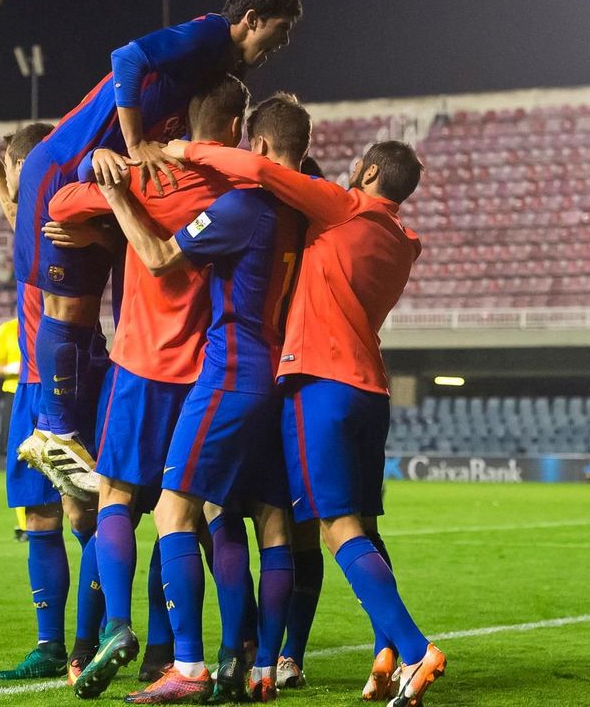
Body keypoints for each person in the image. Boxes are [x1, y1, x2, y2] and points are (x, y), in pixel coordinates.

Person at [163, 136, 447, 706]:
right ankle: (384, 652)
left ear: (367, 172)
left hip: (322, 385)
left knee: (335, 528)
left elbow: (259, 169)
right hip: (373, 391)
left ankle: (415, 649)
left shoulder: (342, 207)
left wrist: (185, 149)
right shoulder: (404, 241)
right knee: (365, 526)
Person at [17, 0, 302, 503]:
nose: (280, 45)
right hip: (67, 165)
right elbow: (126, 56)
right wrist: (136, 143)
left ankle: (65, 430)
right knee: (68, 307)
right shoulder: (209, 36)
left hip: (98, 173)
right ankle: (53, 430)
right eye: (279, 32)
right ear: (252, 20)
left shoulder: (215, 66)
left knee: (85, 310)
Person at [42, 74, 251, 700]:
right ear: (235, 128)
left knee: (115, 496)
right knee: (198, 512)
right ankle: (224, 653)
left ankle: (116, 626)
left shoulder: (143, 177)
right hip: (206, 375)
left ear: (183, 125)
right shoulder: (239, 190)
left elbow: (57, 206)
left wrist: (97, 162)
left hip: (139, 367)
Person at [101, 93, 309, 704]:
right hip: (277, 377)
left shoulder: (243, 208)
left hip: (228, 376)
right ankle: (260, 666)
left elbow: (161, 255)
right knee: (267, 520)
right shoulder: (305, 210)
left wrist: (116, 192)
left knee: (173, 511)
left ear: (260, 149)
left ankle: (187, 667)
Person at [0, 112, 107, 685]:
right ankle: (55, 645)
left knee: (86, 513)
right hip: (38, 379)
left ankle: (95, 635)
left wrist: (1, 173)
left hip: (60, 379)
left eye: (14, 170)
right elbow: (14, 215)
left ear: (28, 167)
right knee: (42, 515)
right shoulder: (40, 213)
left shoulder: (59, 209)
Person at [0, 318, 28, 540]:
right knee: (17, 459)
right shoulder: (8, 329)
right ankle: (24, 525)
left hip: (44, 392)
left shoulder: (49, 320)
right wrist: (9, 368)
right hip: (15, 396)